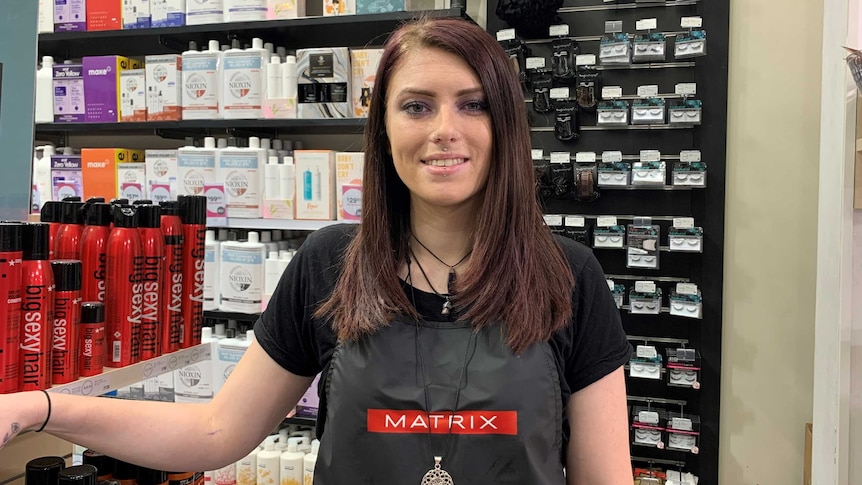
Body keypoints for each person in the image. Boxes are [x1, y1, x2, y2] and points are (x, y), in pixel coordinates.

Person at [0, 17, 633, 484]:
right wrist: (41, 406)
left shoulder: (568, 276)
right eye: (416, 106)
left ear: (506, 126)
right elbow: (214, 432)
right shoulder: (331, 265)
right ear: (383, 129)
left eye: (474, 105)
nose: (445, 130)